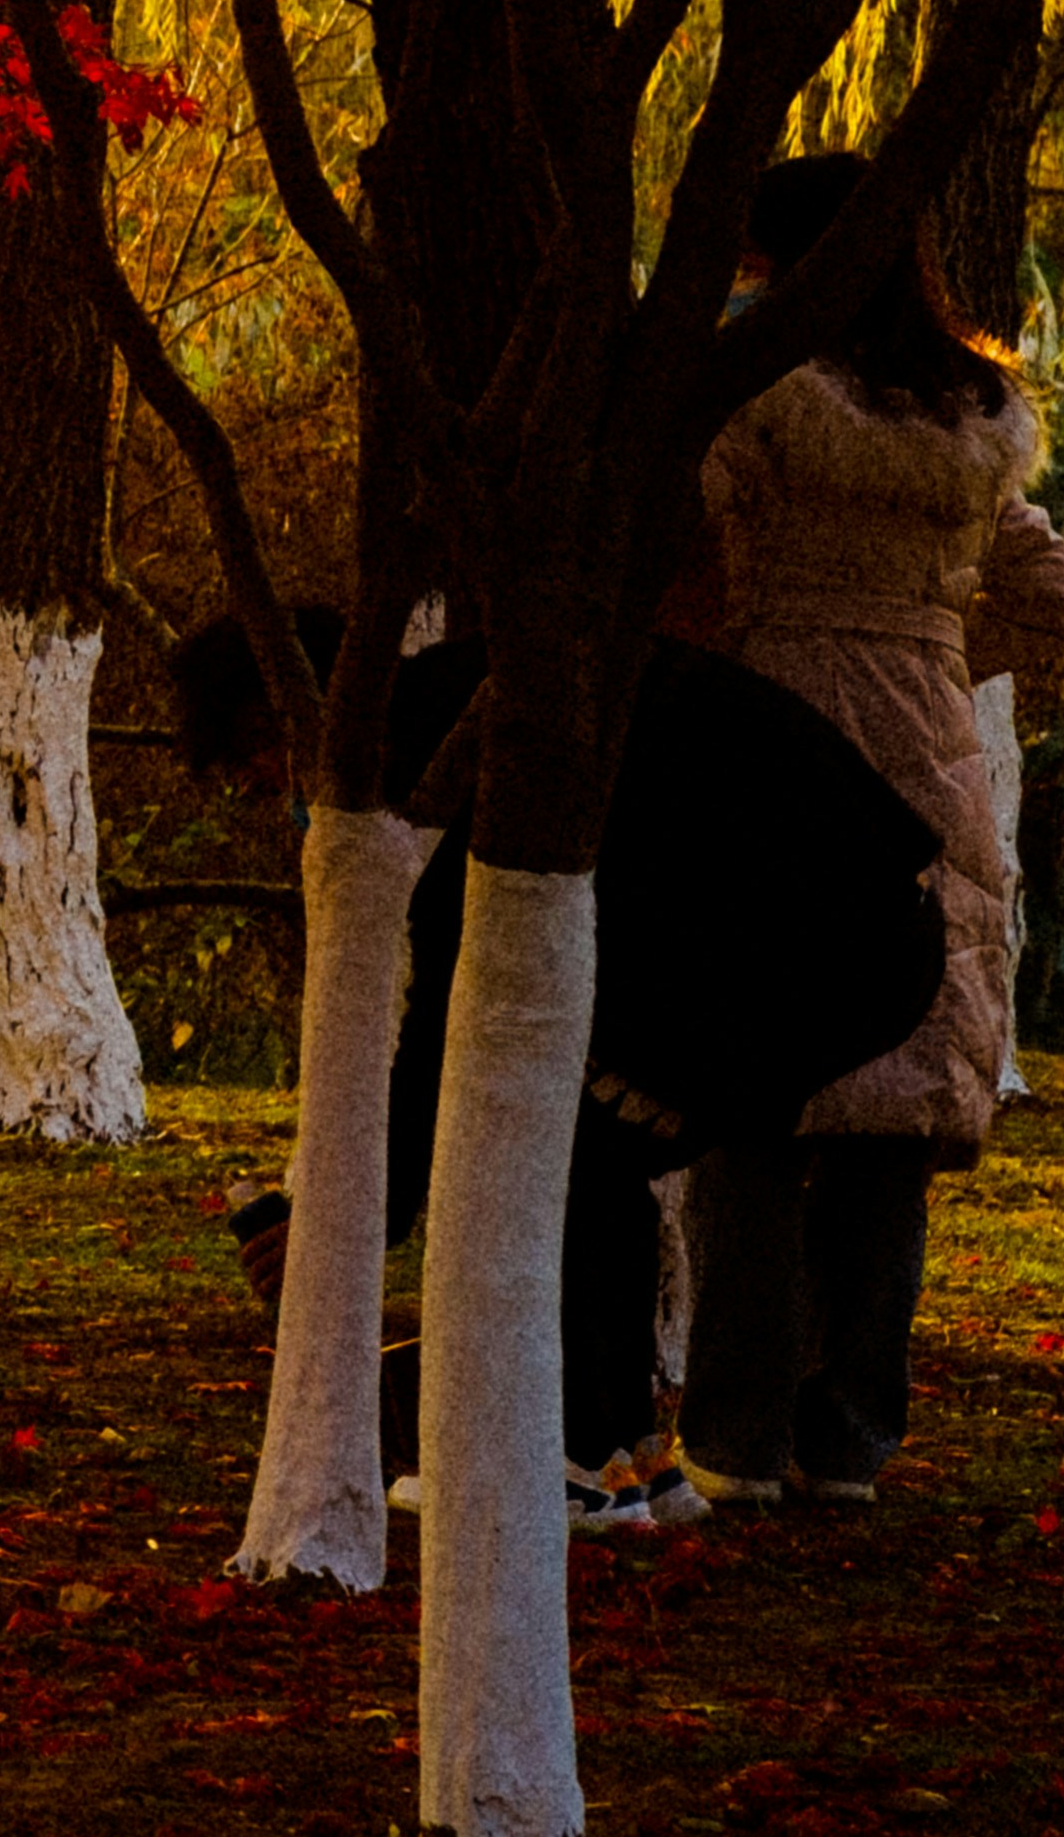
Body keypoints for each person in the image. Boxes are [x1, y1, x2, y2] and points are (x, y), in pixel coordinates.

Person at [176, 609, 945, 1527]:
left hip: (807, 940)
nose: (270, 786)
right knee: (591, 1140)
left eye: (262, 752)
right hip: (841, 934)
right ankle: (627, 1455)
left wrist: (345, 1229)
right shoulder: (476, 695)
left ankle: (577, 1454)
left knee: (544, 1135)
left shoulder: (457, 747)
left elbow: (448, 1008)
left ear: (309, 710)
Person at [668, 151, 1064, 1507]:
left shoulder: (759, 401)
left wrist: (757, 641)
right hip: (929, 771)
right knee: (888, 1133)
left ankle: (735, 1442)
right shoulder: (969, 414)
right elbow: (1057, 601)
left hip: (772, 737)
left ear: (771, 264)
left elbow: (689, 545)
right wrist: (930, 647)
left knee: (752, 1113)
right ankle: (849, 1443)